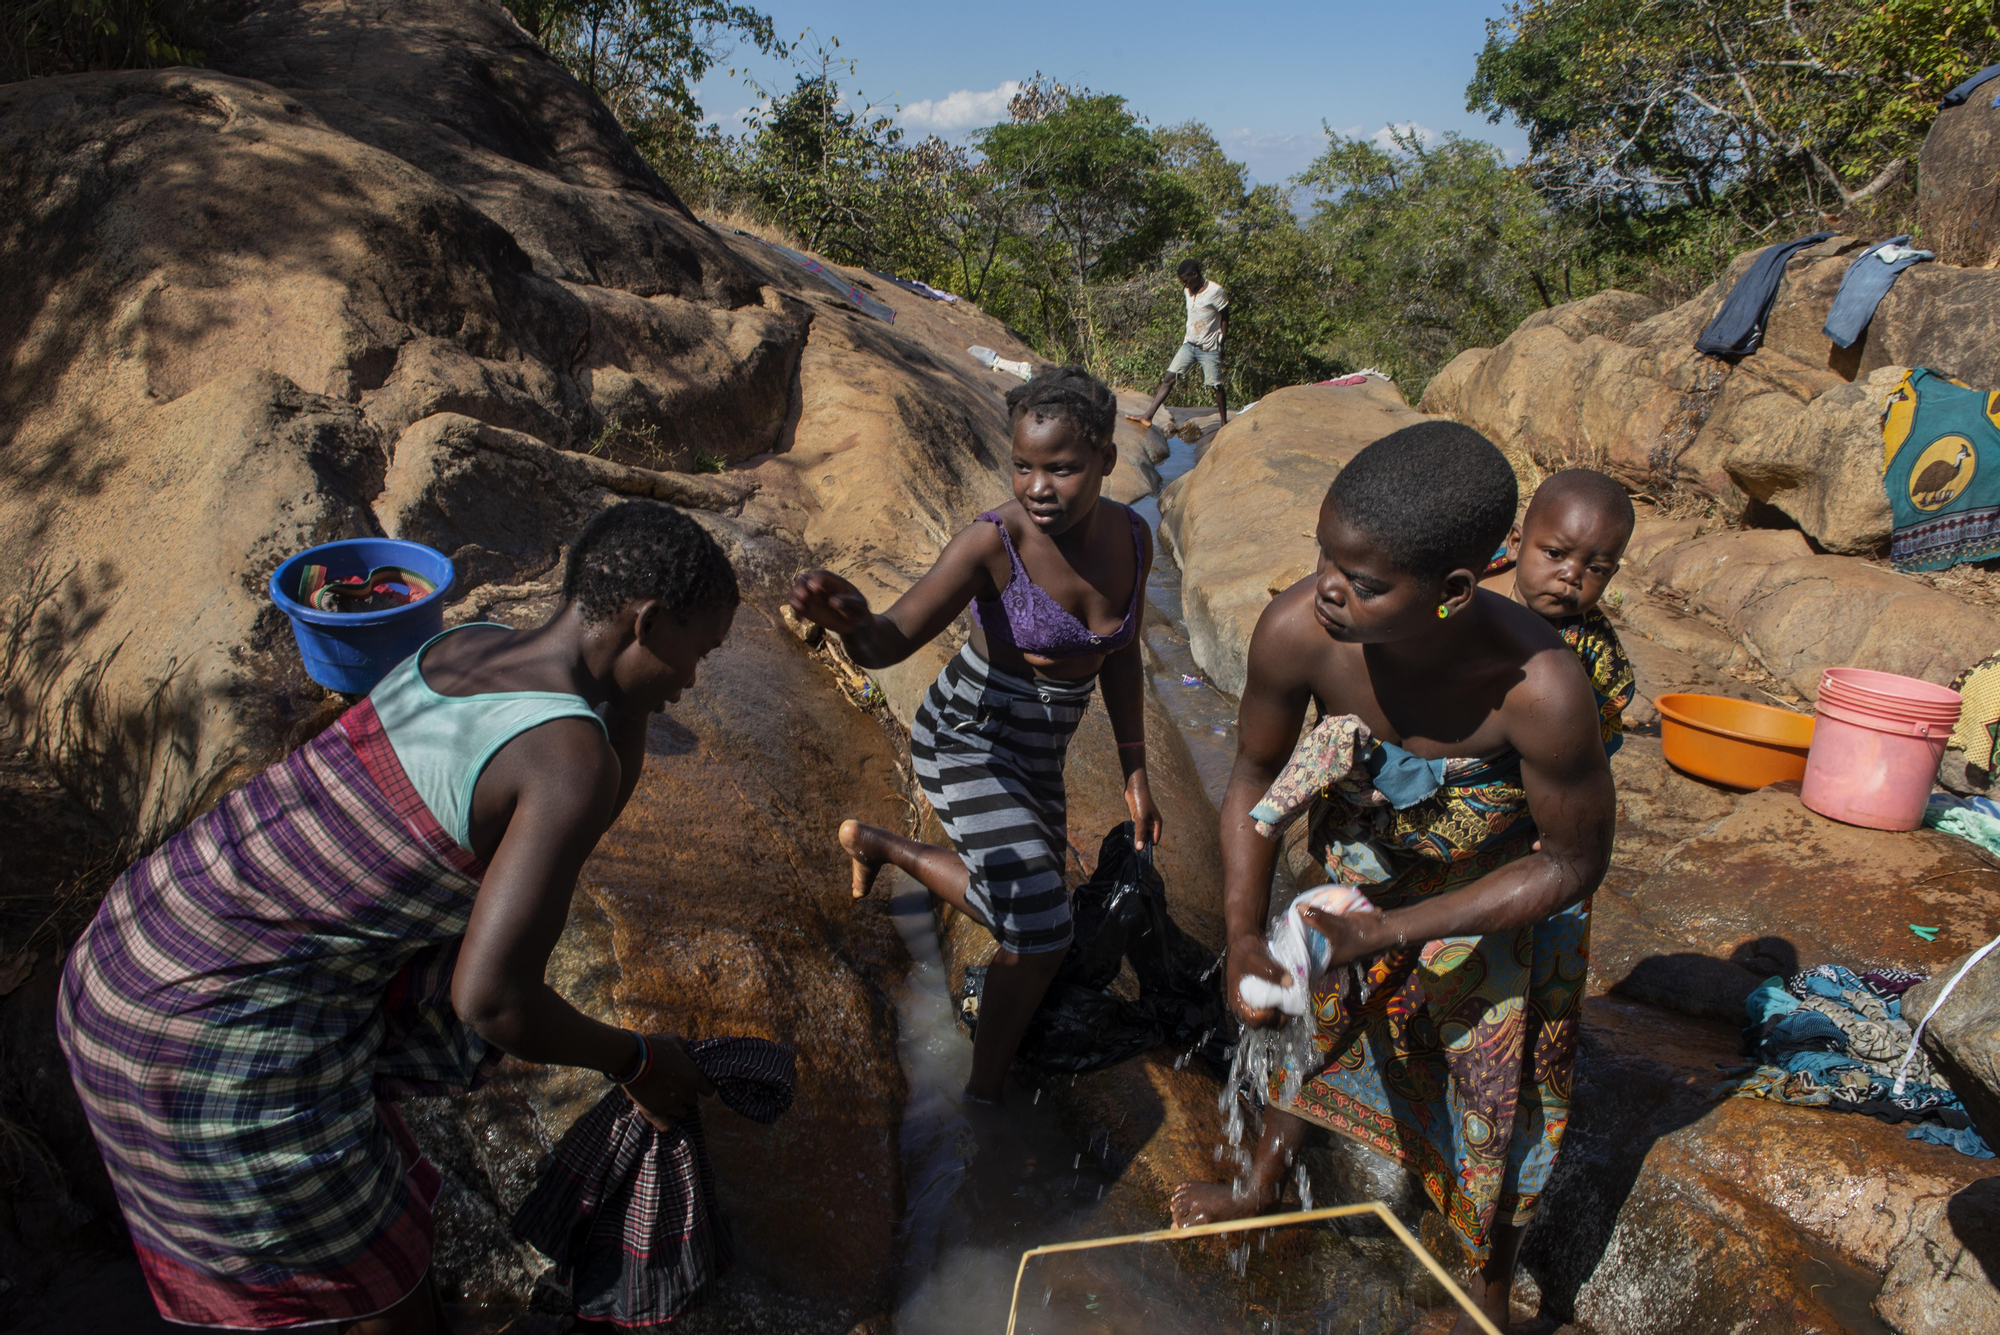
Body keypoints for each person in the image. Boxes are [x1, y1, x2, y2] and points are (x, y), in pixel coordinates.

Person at [57, 501, 738, 1335]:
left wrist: (633, 695)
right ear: (648, 619)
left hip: (129, 946)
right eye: (698, 652)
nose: (694, 680)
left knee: (352, 1263)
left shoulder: (468, 642)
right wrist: (635, 1059)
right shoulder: (566, 757)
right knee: (385, 1302)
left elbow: (595, 789)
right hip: (210, 1040)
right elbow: (492, 1000)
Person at [1169, 424, 1616, 1335]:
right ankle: (1259, 1188)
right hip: (1360, 883)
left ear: (1455, 590)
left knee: (1496, 1109)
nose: (1329, 588)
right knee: (1312, 1027)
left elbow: (1572, 860)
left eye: (1365, 582)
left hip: (1498, 913)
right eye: (1325, 558)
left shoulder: (1540, 688)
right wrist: (1245, 932)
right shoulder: (1303, 632)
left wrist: (1394, 934)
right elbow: (1255, 780)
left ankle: (1482, 1295)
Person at [788, 366, 1159, 1105]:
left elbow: (1121, 652)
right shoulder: (993, 543)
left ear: (1108, 461)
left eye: (1063, 467)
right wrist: (854, 624)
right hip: (968, 737)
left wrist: (1135, 768)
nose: (1038, 486)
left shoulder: (1134, 538)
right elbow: (891, 640)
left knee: (1033, 907)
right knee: (1044, 930)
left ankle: (882, 845)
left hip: (1039, 752)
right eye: (1024, 465)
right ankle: (983, 1098)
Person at [1481, 468, 1638, 755]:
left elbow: (1594, 736)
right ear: (1516, 543)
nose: (1572, 576)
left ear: (1611, 575)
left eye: (1595, 569)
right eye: (1555, 554)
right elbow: (1427, 615)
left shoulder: (1594, 654)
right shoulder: (1471, 574)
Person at [1127, 259, 1229, 431]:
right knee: (1168, 378)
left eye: (1186, 279)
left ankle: (1224, 423)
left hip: (1209, 347)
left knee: (1215, 385)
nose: (1184, 284)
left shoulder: (1215, 291)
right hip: (1189, 344)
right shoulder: (1187, 291)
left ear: (1195, 275)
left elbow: (1225, 315)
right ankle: (1148, 416)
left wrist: (1222, 341)